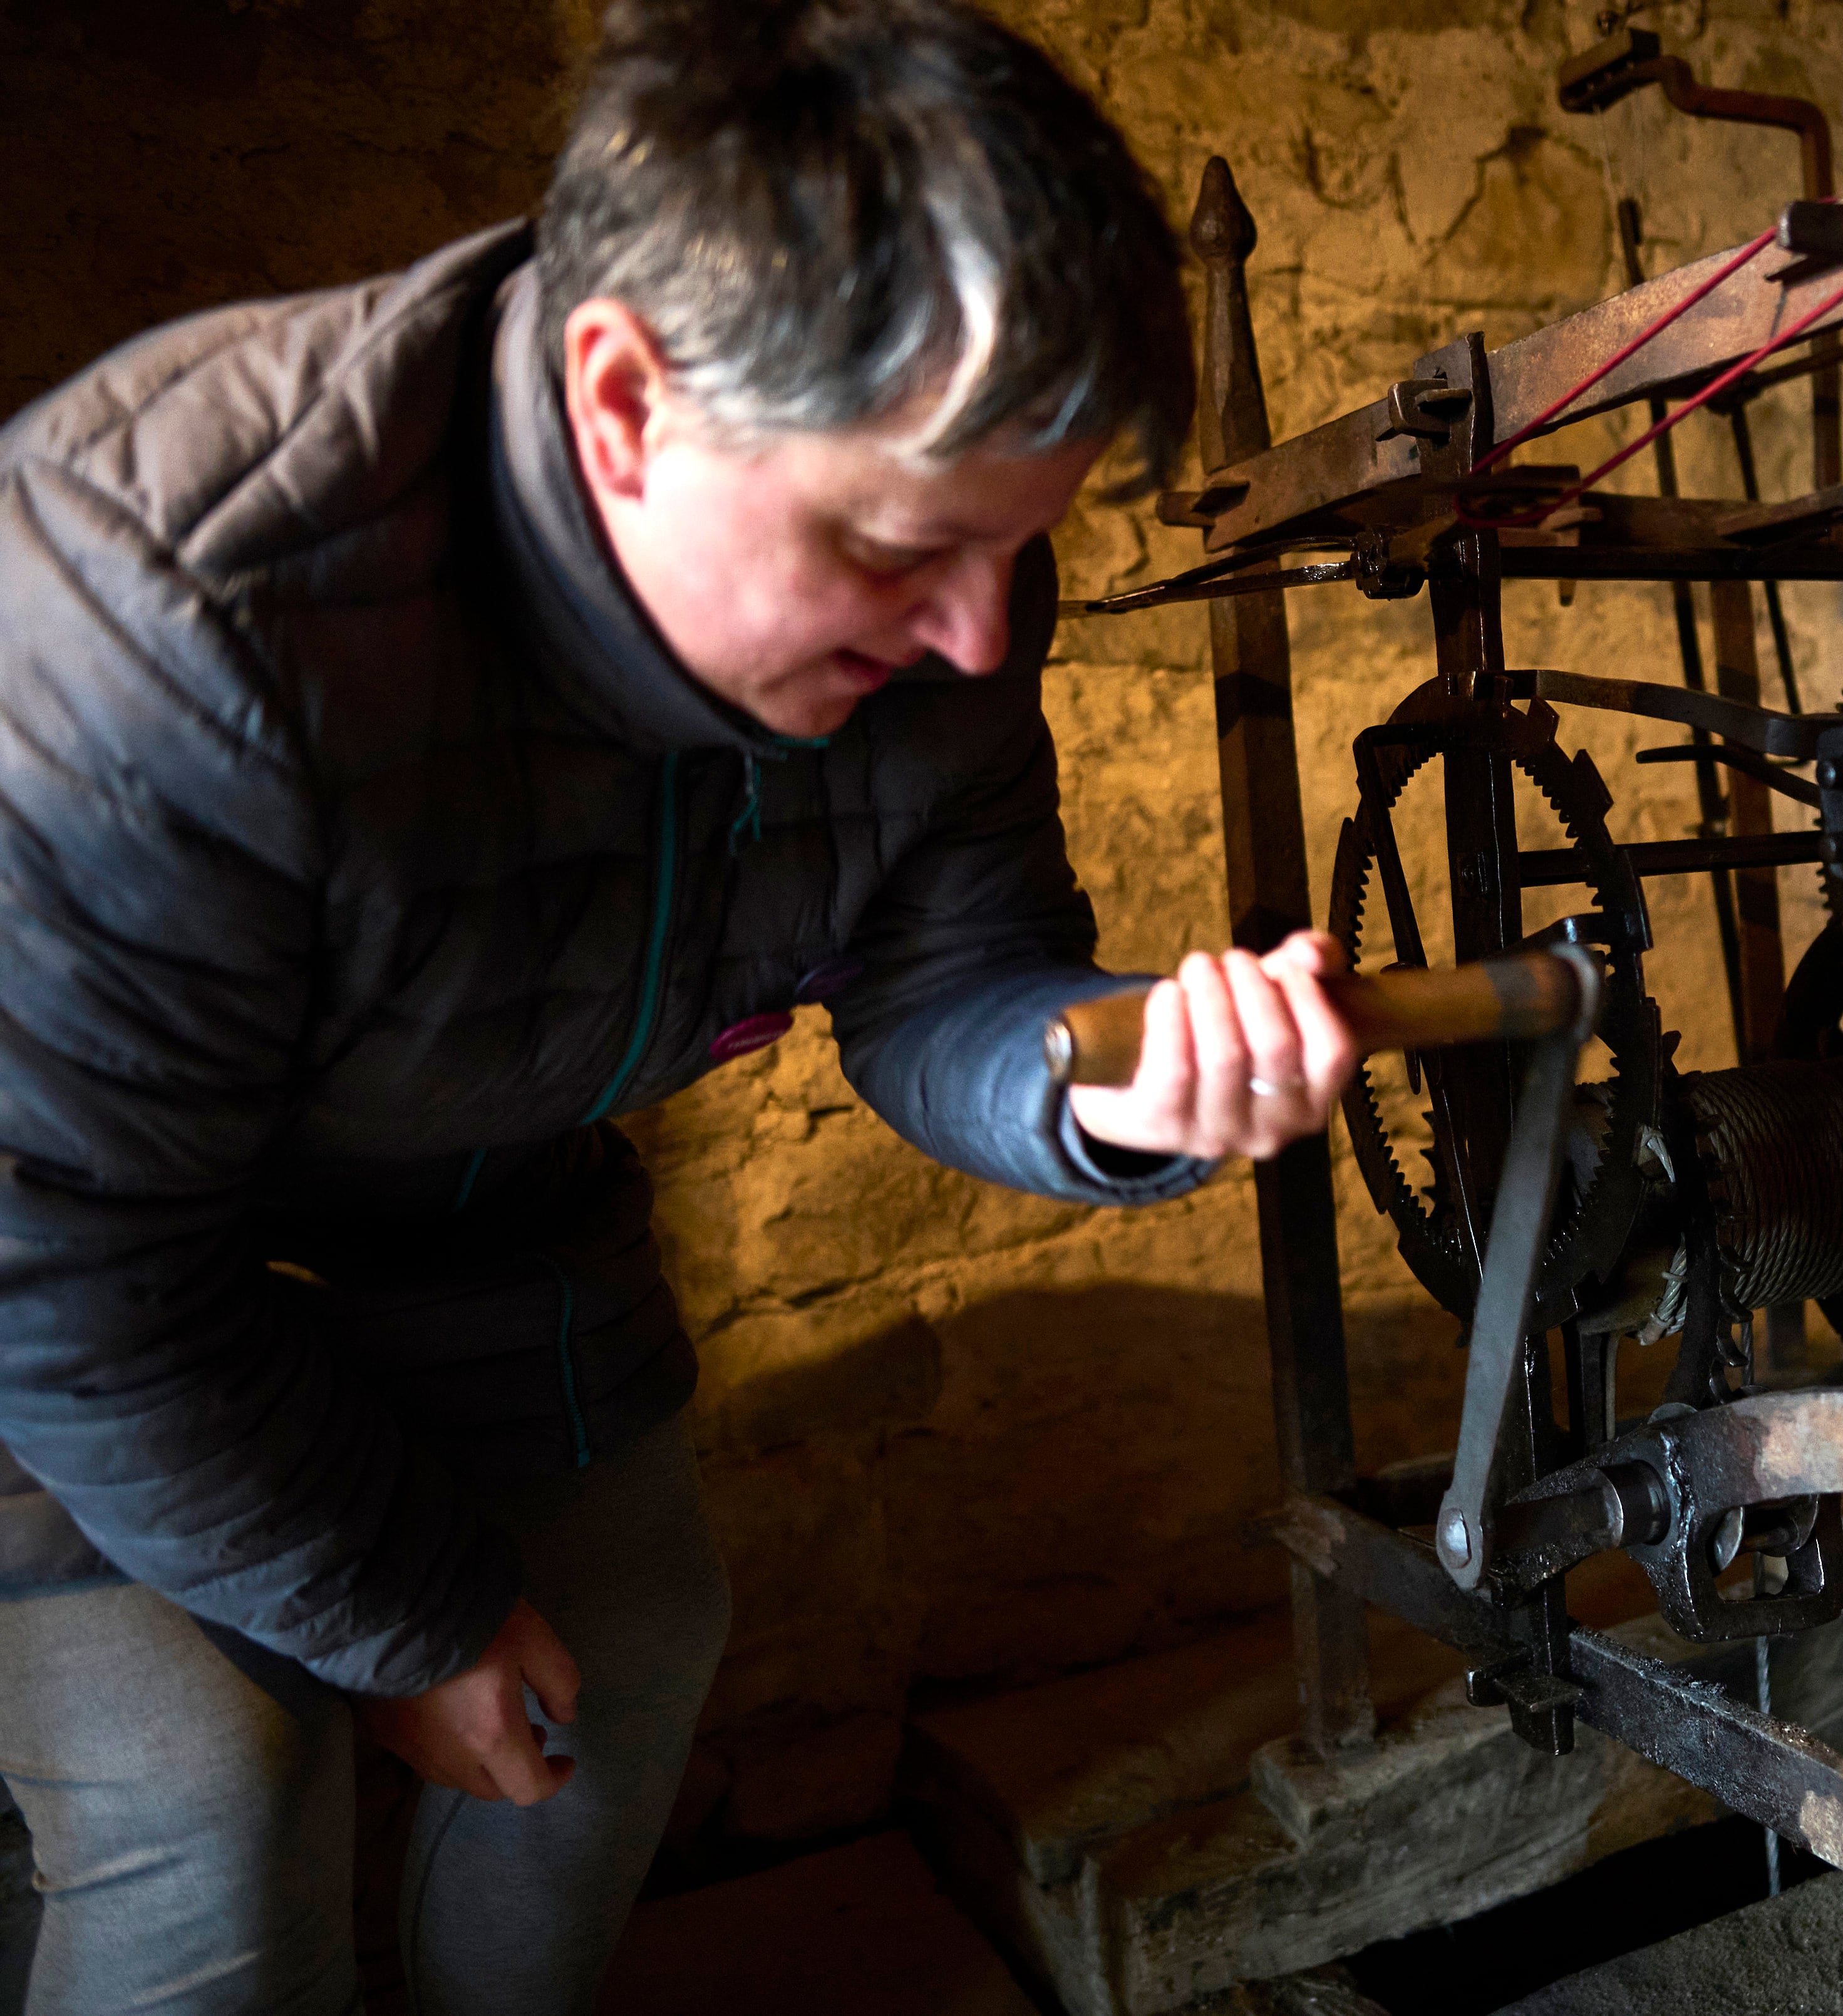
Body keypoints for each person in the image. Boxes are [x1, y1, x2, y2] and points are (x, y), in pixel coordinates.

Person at [0, 1, 1353, 2008]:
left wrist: (1110, 1084)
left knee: (628, 1648)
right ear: (624, 401)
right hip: (64, 1274)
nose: (983, 635)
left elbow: (946, 979)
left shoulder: (950, 603)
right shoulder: (161, 606)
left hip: (468, 1208)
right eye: (904, 548)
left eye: (1018, 546)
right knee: (210, 1795)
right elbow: (69, 1269)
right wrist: (413, 1616)